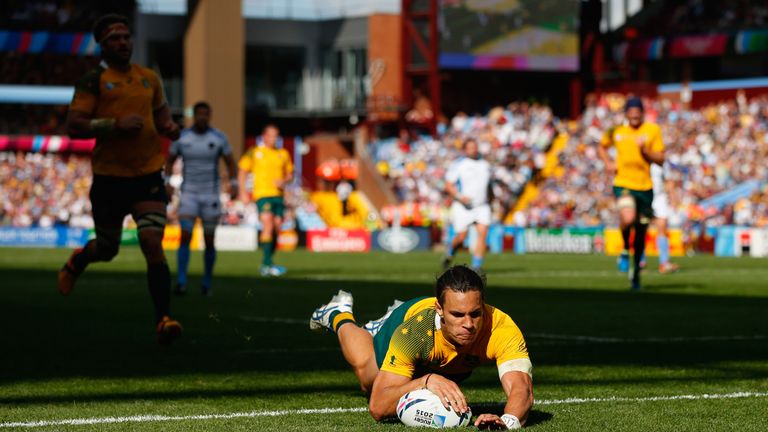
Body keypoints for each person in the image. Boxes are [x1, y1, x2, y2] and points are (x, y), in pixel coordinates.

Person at [57, 14, 182, 344]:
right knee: (108, 249)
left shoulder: (148, 77)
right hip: (110, 177)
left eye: (127, 37)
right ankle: (78, 260)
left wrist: (170, 127)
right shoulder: (92, 80)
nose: (124, 43)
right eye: (116, 38)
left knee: (152, 243)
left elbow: (163, 115)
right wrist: (113, 124)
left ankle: (164, 319)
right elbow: (74, 126)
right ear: (103, 44)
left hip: (147, 175)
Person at [309, 265, 533, 429]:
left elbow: (521, 388)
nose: (468, 324)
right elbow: (378, 407)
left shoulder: (501, 327)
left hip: (446, 361)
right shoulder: (414, 332)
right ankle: (337, 314)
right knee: (367, 379)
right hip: (407, 321)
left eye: (475, 314)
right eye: (457, 314)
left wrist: (507, 421)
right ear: (439, 309)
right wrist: (426, 381)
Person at [165, 101, 237, 296]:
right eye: (199, 114)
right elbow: (169, 160)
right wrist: (167, 181)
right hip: (189, 193)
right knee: (185, 236)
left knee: (209, 239)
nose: (202, 117)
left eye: (206, 114)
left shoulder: (218, 138)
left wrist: (234, 183)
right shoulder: (183, 137)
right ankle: (181, 281)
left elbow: (231, 162)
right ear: (194, 116)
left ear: (210, 116)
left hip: (211, 194)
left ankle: (206, 283)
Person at [598, 96, 665, 290]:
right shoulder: (616, 131)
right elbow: (602, 146)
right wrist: (608, 163)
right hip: (623, 183)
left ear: (642, 113)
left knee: (642, 232)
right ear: (626, 113)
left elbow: (661, 159)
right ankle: (625, 250)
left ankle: (635, 276)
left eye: (638, 114)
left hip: (645, 187)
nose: (634, 117)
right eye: (631, 113)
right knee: (628, 218)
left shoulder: (653, 130)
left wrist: (645, 151)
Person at [238, 124, 293, 276]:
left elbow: (290, 174)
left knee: (276, 227)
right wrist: (243, 192)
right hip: (262, 194)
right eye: (271, 135)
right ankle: (265, 265)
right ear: (264, 137)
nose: (274, 138)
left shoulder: (283, 153)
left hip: (278, 195)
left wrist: (284, 181)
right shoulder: (254, 152)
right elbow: (242, 171)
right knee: (267, 223)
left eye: (276, 135)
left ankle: (269, 262)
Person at [442, 139, 493, 271]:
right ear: (465, 150)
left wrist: (491, 199)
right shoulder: (459, 164)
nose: (473, 150)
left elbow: (489, 185)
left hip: (482, 206)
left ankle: (476, 265)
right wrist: (460, 197)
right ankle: (450, 253)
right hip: (463, 207)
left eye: (475, 147)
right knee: (461, 237)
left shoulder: (485, 165)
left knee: (483, 234)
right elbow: (448, 185)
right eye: (470, 147)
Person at [640, 163, 680, 274]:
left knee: (662, 226)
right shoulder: (640, 157)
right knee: (642, 228)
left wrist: (672, 198)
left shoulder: (661, 162)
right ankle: (641, 262)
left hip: (659, 197)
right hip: (644, 195)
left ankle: (664, 263)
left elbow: (668, 180)